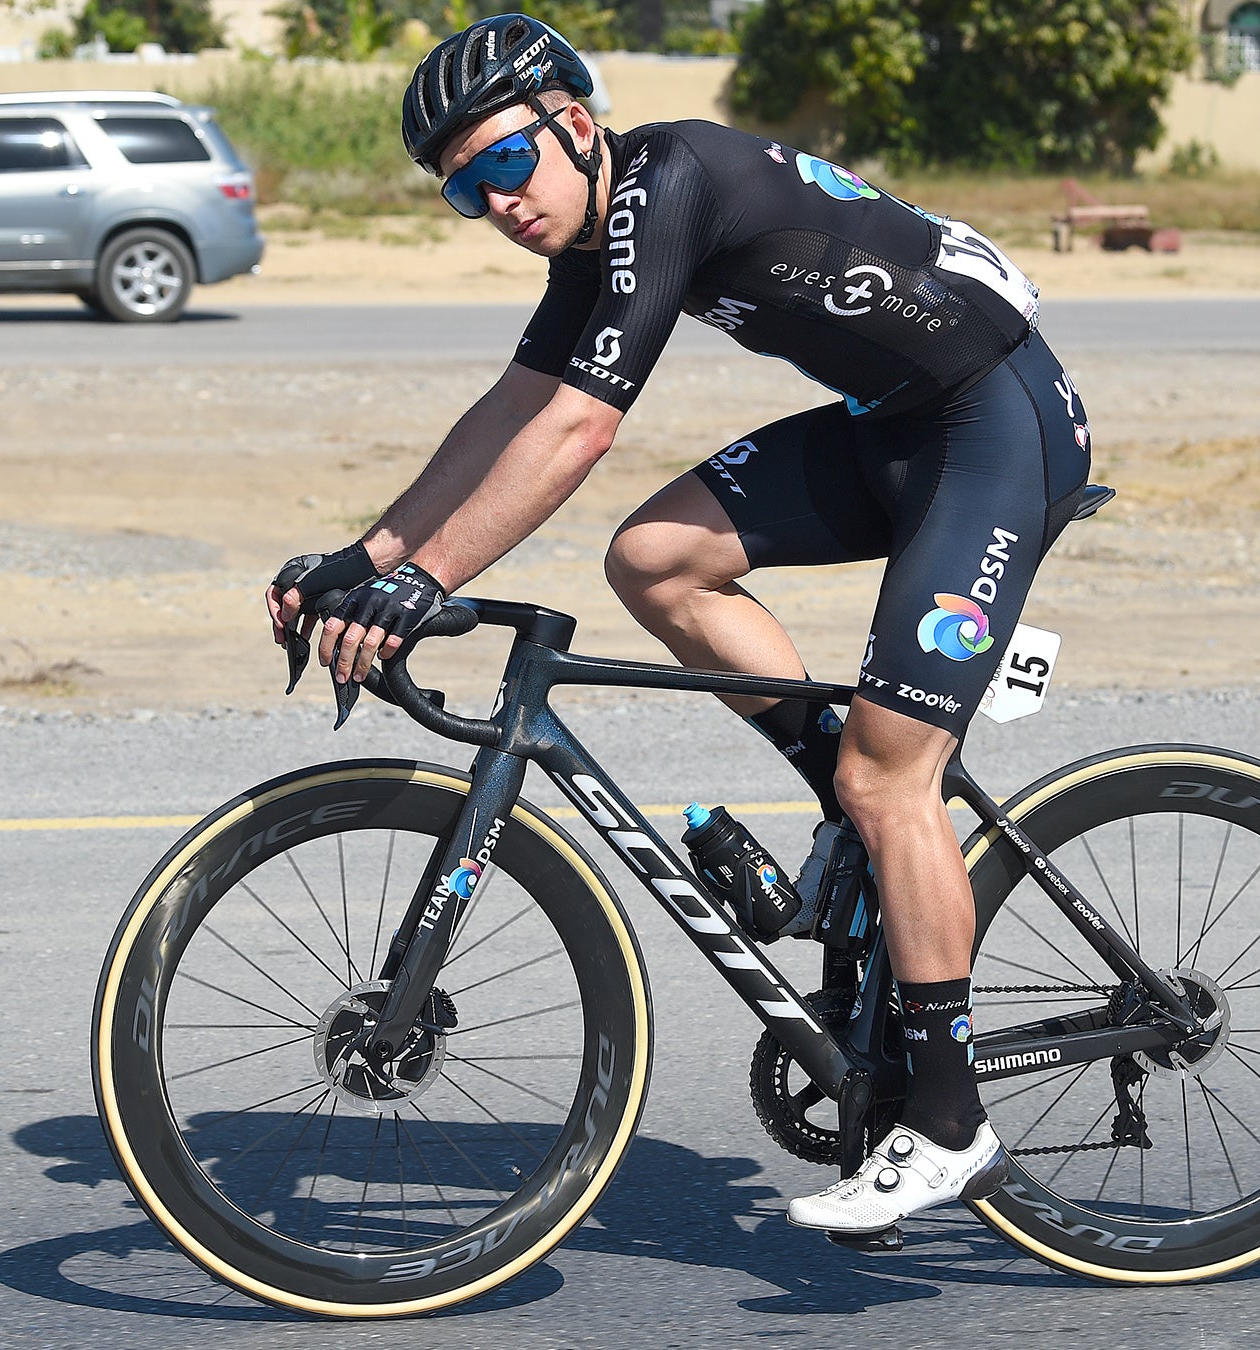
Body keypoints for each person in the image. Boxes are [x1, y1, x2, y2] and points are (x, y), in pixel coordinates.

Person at [265, 13, 1093, 1238]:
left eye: (504, 165)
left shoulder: (671, 184)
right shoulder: (593, 237)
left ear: (578, 126)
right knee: (655, 561)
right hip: (889, 430)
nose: (497, 203)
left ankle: (950, 1122)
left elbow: (579, 429)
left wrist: (427, 583)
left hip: (997, 428)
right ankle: (856, 813)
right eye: (462, 195)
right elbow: (516, 405)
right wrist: (367, 558)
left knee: (892, 778)